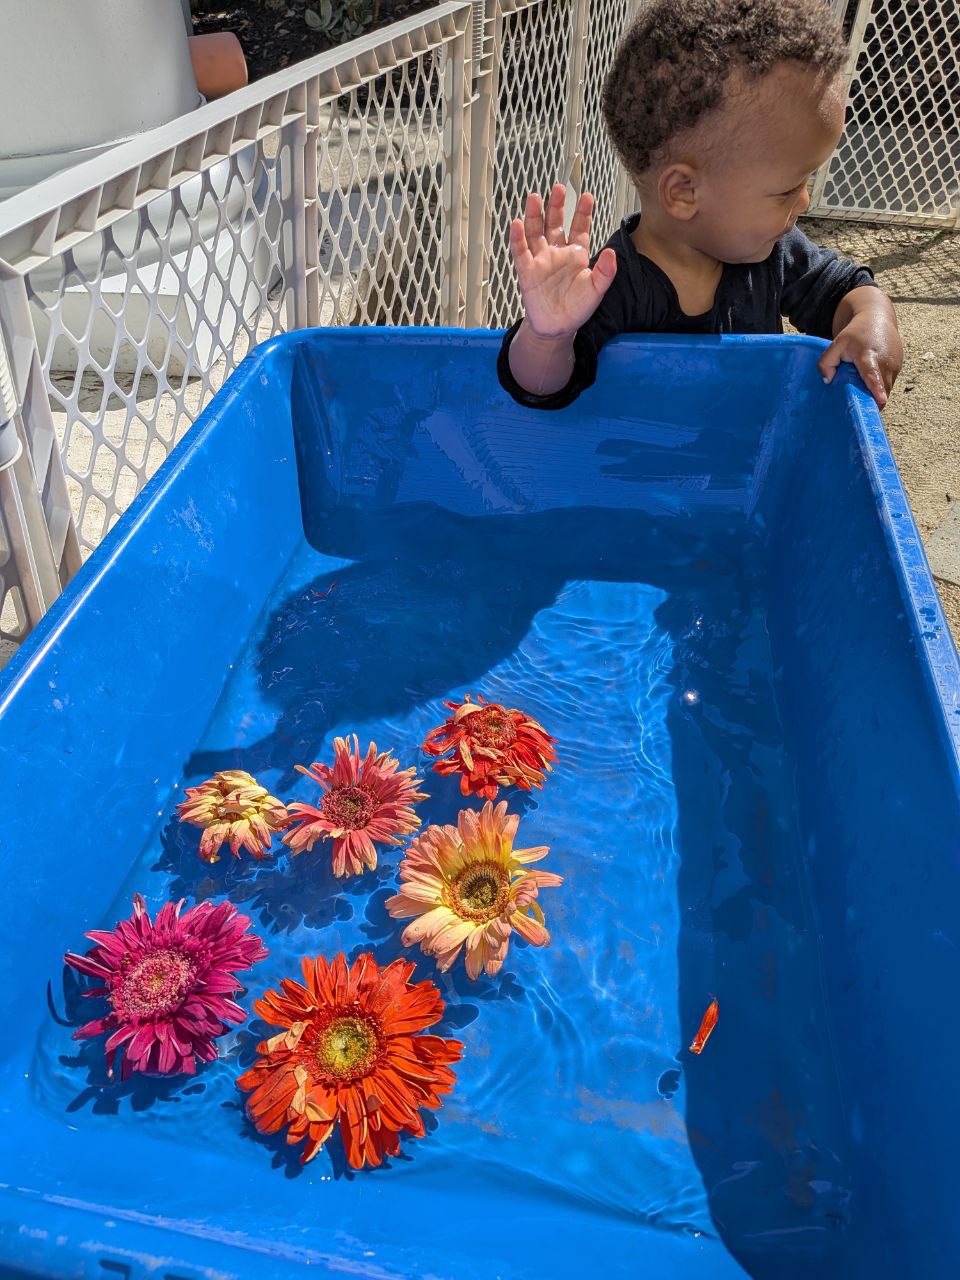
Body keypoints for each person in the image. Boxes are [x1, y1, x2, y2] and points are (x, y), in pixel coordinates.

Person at [498, 0, 902, 411]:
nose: (804, 200)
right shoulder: (613, 284)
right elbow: (543, 388)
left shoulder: (773, 253)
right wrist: (547, 337)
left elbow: (845, 291)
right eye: (787, 189)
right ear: (684, 193)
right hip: (639, 464)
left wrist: (874, 321)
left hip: (743, 465)